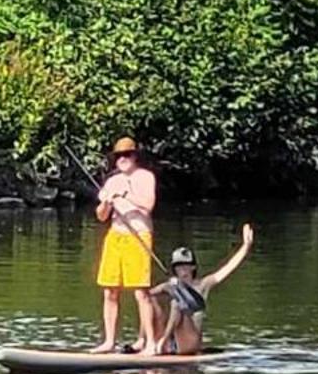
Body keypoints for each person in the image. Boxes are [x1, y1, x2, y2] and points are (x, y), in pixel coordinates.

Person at [93, 138, 158, 355]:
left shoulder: (145, 177)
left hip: (138, 235)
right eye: (118, 156)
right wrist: (106, 202)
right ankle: (109, 341)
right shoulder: (112, 181)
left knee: (141, 292)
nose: (122, 159)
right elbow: (101, 216)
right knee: (109, 290)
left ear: (135, 156)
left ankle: (150, 344)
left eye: (127, 155)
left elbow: (148, 205)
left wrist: (125, 195)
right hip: (115, 236)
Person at [149, 225, 254, 355]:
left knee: (176, 303)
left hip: (191, 341)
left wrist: (246, 246)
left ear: (193, 267)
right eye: (179, 266)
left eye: (186, 266)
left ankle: (163, 341)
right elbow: (146, 295)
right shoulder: (170, 285)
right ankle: (145, 342)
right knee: (148, 301)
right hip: (175, 342)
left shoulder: (203, 284)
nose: (182, 269)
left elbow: (228, 268)